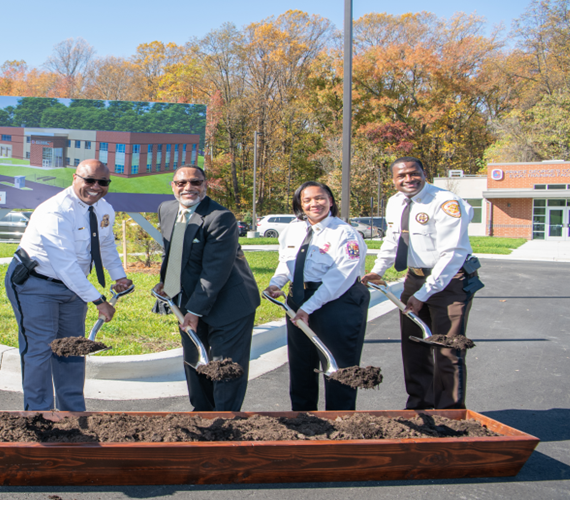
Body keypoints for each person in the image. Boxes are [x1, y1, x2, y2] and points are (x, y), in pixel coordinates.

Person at [5, 159, 131, 411]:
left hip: (72, 287)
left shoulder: (104, 209)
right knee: (40, 348)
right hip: (36, 284)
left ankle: (73, 413)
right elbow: (65, 264)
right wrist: (98, 300)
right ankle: (39, 414)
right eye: (89, 180)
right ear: (75, 178)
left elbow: (106, 245)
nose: (96, 186)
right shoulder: (55, 211)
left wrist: (119, 276)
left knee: (72, 348)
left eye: (103, 182)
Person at [362, 157, 479, 410]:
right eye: (401, 176)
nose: (408, 179)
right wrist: (378, 270)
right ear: (393, 180)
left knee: (447, 350)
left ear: (424, 174)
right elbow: (392, 240)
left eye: (413, 174)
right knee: (414, 346)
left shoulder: (445, 202)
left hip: (449, 281)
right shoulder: (395, 203)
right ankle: (419, 408)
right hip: (415, 279)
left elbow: (453, 254)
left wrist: (425, 293)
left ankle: (449, 415)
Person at [155, 166, 260, 411]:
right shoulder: (167, 209)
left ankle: (224, 419)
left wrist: (195, 311)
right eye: (181, 183)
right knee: (194, 358)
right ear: (173, 186)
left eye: (195, 182)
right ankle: (202, 413)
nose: (188, 188)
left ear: (205, 185)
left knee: (224, 365)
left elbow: (215, 271)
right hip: (189, 301)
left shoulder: (220, 217)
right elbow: (173, 252)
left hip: (229, 304)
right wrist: (168, 283)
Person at [266, 181, 368, 412]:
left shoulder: (345, 233)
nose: (314, 204)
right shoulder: (293, 228)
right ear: (300, 204)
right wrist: (276, 283)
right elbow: (287, 261)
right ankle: (304, 418)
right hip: (299, 299)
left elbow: (340, 278)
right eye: (307, 200)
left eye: (320, 198)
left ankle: (340, 421)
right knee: (302, 364)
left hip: (337, 302)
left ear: (331, 201)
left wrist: (309, 308)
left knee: (338, 366)